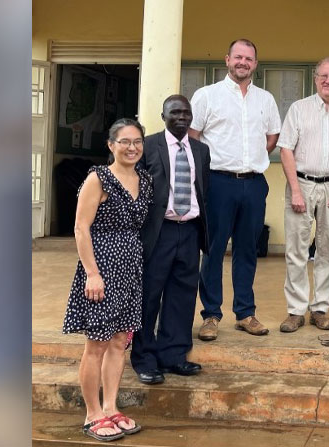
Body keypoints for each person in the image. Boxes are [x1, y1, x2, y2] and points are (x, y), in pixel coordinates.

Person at [61, 118, 151, 441]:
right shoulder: (98, 179)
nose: (132, 147)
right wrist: (92, 273)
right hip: (101, 266)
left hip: (130, 267)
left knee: (119, 342)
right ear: (111, 145)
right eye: (124, 141)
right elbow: (80, 227)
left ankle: (111, 407)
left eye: (137, 141)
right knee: (96, 344)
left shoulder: (145, 179)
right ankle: (92, 413)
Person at [189, 39, 280, 340]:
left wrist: (250, 160)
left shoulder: (265, 99)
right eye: (238, 57)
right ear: (227, 59)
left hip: (253, 183)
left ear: (256, 63)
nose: (243, 62)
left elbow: (271, 137)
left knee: (247, 250)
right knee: (213, 250)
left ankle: (245, 313)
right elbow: (193, 136)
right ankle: (211, 314)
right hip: (218, 182)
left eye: (249, 58)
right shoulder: (207, 96)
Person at [275, 57, 329, 333]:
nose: (328, 81)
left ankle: (320, 309)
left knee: (326, 251)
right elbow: (285, 149)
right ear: (315, 79)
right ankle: (296, 310)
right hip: (302, 185)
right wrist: (296, 191)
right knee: (297, 250)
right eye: (323, 76)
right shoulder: (299, 110)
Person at [129, 95, 210, 386]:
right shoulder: (148, 146)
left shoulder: (201, 150)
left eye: (186, 113)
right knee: (149, 296)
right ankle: (145, 358)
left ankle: (174, 355)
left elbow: (204, 190)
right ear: (162, 115)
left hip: (189, 231)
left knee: (183, 295)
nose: (181, 117)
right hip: (158, 232)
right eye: (175, 112)